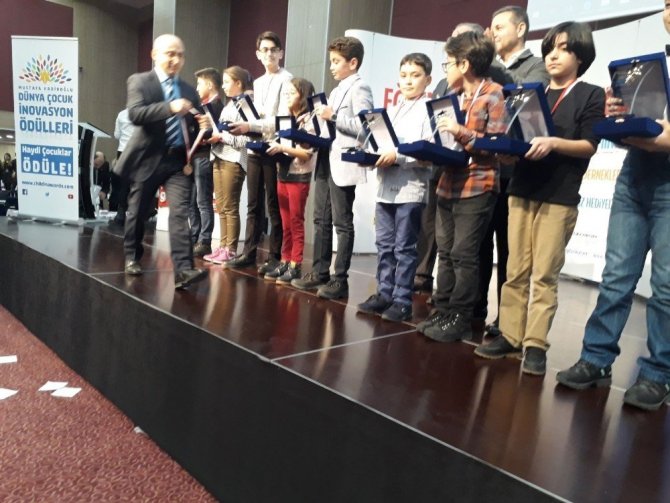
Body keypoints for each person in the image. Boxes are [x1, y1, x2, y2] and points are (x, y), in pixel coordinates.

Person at [556, 2, 670, 411]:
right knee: (616, 276)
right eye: (667, 4)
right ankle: (596, 358)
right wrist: (618, 116)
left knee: (666, 287)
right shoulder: (649, 67)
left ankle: (658, 374)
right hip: (634, 173)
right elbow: (638, 128)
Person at [474, 22, 605, 376]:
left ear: (581, 56)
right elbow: (518, 138)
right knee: (514, 270)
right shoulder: (530, 94)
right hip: (521, 189)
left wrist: (554, 143)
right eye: (549, 49)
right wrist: (507, 151)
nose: (553, 56)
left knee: (544, 275)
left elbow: (590, 145)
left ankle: (535, 344)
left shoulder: (591, 94)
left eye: (563, 48)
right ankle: (510, 335)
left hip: (559, 196)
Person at [416, 30, 505, 342]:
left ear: (464, 64)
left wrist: (461, 132)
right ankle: (442, 309)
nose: (447, 70)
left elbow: (495, 145)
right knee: (446, 252)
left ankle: (461, 317)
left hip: (477, 185)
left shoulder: (493, 94)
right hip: (448, 183)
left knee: (464, 254)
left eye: (448, 63)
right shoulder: (453, 98)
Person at [476, 5, 552, 337]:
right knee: (480, 245)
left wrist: (489, 62)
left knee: (510, 251)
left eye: (499, 27)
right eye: (490, 28)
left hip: (515, 173)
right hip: (484, 169)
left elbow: (523, 98)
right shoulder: (488, 68)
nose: (492, 33)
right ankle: (474, 307)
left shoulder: (537, 66)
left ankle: (505, 320)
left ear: (520, 29)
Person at [113, 33, 207, 290]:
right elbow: (136, 114)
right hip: (147, 159)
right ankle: (132, 256)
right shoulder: (140, 81)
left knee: (179, 214)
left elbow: (193, 123)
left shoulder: (189, 90)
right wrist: (170, 107)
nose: (176, 60)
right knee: (138, 212)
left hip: (177, 161)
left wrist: (204, 125)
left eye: (180, 55)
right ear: (154, 55)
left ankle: (184, 270)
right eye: (170, 54)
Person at [291, 36, 374, 299]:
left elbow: (365, 127)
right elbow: (328, 129)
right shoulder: (336, 91)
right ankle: (320, 272)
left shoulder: (360, 87)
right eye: (331, 61)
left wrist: (334, 116)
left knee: (342, 222)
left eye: (336, 62)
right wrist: (311, 129)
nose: (331, 67)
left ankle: (340, 279)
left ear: (353, 62)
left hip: (344, 161)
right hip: (327, 157)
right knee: (320, 219)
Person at [357, 53, 433, 322]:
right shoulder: (391, 110)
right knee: (384, 245)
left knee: (405, 248)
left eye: (415, 75)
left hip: (410, 188)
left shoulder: (429, 110)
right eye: (403, 75)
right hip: (385, 187)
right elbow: (380, 144)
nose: (408, 81)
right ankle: (384, 292)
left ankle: (402, 300)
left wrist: (397, 156)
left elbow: (428, 151)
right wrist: (368, 157)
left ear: (428, 80)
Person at [225, 31, 292, 275]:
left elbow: (281, 119)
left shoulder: (287, 79)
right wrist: (247, 122)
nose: (269, 54)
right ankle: (249, 252)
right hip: (255, 145)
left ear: (281, 53)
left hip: (274, 147)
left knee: (273, 204)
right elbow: (258, 115)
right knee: (253, 203)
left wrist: (250, 124)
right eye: (264, 49)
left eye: (273, 49)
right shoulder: (259, 82)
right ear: (257, 54)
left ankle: (275, 256)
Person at [263, 77, 318, 285]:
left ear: (303, 96)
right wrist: (274, 145)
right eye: (285, 93)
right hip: (283, 173)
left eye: (292, 93)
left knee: (296, 221)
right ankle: (285, 260)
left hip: (299, 175)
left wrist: (283, 148)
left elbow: (307, 154)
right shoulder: (286, 118)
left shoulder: (310, 120)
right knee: (285, 222)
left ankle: (296, 264)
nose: (287, 96)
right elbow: (282, 143)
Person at [203, 66, 253, 265]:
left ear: (238, 83)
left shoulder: (246, 104)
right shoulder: (230, 105)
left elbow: (247, 138)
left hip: (234, 159)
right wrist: (213, 134)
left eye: (226, 82)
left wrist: (222, 136)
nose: (223, 86)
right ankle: (222, 246)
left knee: (230, 206)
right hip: (219, 155)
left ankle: (230, 249)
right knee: (221, 206)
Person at [190, 67, 224, 257]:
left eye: (199, 84)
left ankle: (205, 240)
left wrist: (206, 131)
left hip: (206, 157)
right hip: (196, 156)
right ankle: (194, 236)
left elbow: (218, 132)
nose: (197, 88)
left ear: (210, 85)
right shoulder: (202, 107)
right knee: (192, 201)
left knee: (203, 200)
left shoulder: (217, 107)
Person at [110, 108, 136, 225]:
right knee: (138, 183)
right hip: (138, 151)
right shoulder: (143, 113)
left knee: (123, 184)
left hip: (122, 152)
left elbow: (117, 135)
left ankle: (120, 214)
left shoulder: (121, 114)